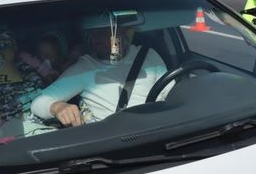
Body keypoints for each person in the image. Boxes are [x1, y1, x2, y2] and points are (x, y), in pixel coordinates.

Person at [31, 13, 167, 127]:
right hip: (115, 142)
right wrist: (57, 107)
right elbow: (38, 102)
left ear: (122, 31)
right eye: (92, 33)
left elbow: (171, 94)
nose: (96, 39)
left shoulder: (148, 55)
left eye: (103, 32)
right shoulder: (84, 68)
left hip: (158, 131)